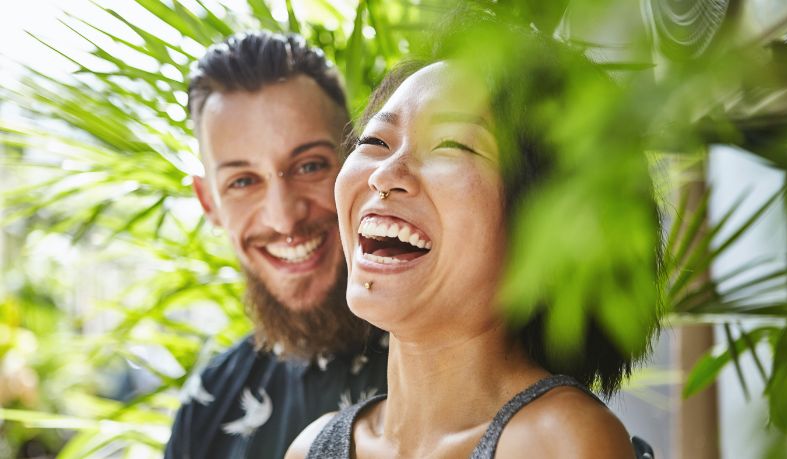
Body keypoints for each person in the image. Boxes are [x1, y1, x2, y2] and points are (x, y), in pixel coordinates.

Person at [285, 22, 659, 459]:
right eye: (375, 141)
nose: (385, 175)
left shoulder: (559, 442)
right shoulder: (313, 447)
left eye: (450, 145)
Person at [164, 31, 388, 459]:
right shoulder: (210, 400)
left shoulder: (461, 357)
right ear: (209, 202)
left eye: (309, 166)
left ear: (356, 166)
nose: (284, 218)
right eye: (243, 181)